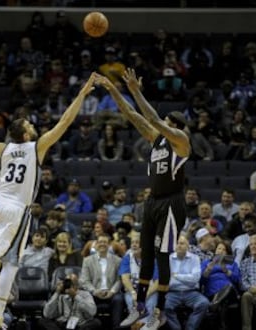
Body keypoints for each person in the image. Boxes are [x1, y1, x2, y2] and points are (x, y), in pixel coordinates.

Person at [0, 73, 96, 330]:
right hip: (17, 209)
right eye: (29, 124)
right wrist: (82, 93)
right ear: (25, 133)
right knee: (11, 262)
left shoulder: (3, 148)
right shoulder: (36, 147)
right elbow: (65, 121)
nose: (32, 125)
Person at [95, 68, 190, 328]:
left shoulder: (181, 141)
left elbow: (153, 119)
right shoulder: (157, 140)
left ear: (177, 127)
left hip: (172, 203)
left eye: (169, 122)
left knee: (162, 256)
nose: (164, 124)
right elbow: (132, 114)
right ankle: (139, 308)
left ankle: (158, 311)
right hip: (153, 202)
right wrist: (113, 88)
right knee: (145, 254)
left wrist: (136, 90)